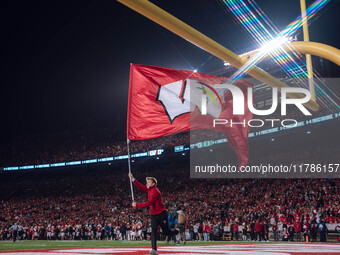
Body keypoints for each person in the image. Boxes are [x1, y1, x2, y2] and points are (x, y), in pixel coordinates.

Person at [129, 173, 174, 255]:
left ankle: (175, 232)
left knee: (166, 232)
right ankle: (154, 249)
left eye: (149, 182)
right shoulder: (149, 189)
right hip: (153, 214)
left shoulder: (155, 192)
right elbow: (140, 186)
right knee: (153, 231)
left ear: (153, 184)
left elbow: (149, 203)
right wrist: (132, 179)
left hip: (161, 214)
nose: (147, 183)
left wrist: (137, 205)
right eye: (147, 182)